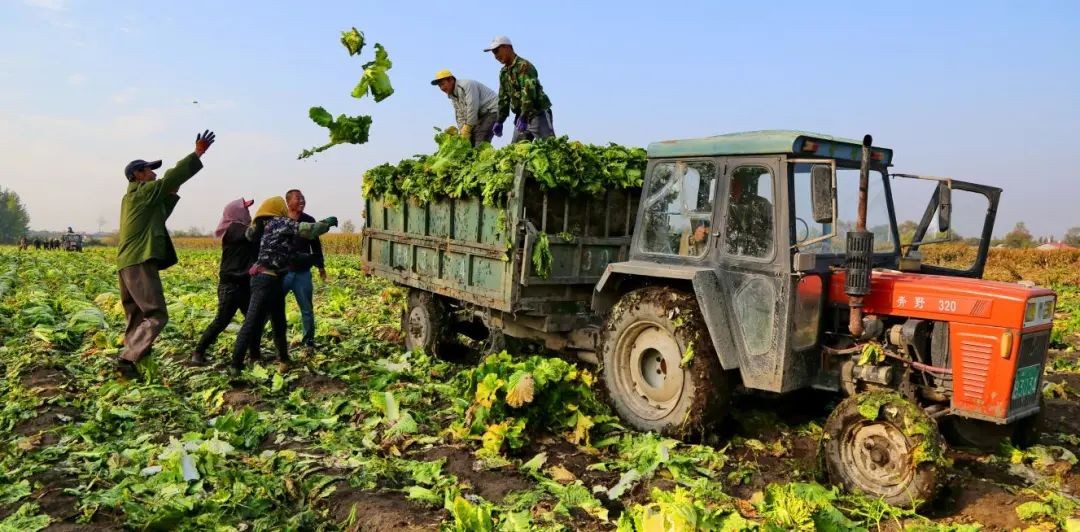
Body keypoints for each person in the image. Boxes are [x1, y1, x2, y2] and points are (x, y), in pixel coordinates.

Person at [115, 130, 216, 380]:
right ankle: (127, 358)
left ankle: (132, 364)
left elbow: (159, 214)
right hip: (139, 260)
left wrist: (171, 191)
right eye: (149, 170)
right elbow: (170, 178)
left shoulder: (134, 199)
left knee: (137, 316)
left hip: (127, 262)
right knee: (157, 313)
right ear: (137, 175)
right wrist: (197, 153)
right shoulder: (142, 191)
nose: (154, 173)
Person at [229, 196, 336, 378]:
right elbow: (309, 230)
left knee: (279, 322)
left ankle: (284, 358)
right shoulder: (278, 222)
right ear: (278, 209)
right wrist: (326, 222)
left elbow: (286, 252)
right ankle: (235, 365)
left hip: (275, 279)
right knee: (251, 322)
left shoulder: (264, 226)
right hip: (264, 280)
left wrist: (311, 259)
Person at [190, 198, 262, 366]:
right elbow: (252, 233)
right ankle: (198, 351)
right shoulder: (233, 228)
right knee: (222, 320)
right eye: (245, 210)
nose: (248, 212)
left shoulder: (242, 229)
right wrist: (264, 219)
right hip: (231, 284)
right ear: (236, 212)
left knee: (253, 320)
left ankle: (254, 354)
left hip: (245, 282)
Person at [484, 36, 554, 143]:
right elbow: (503, 98)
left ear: (507, 47)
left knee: (550, 146)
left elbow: (528, 93)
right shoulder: (504, 73)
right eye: (493, 53)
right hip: (521, 116)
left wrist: (524, 116)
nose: (496, 56)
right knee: (516, 152)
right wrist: (499, 121)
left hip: (538, 114)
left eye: (497, 51)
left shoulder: (524, 66)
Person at [282, 189, 326, 349]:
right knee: (272, 305)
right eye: (298, 198)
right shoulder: (281, 220)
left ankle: (308, 341)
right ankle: (271, 340)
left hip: (303, 273)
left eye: (303, 198)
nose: (302, 201)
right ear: (288, 202)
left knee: (307, 309)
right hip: (283, 272)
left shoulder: (309, 220)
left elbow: (315, 245)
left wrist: (321, 266)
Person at [431, 69, 499, 146]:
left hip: (493, 109)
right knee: (470, 141)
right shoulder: (453, 95)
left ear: (451, 79)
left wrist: (468, 128)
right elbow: (460, 115)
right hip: (480, 115)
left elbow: (472, 107)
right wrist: (462, 131)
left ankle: (485, 156)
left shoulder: (466, 85)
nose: (442, 88)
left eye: (443, 84)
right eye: (439, 86)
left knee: (480, 138)